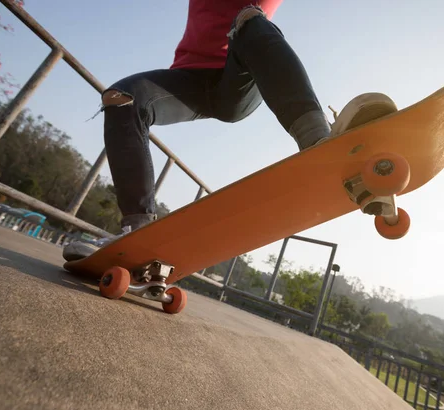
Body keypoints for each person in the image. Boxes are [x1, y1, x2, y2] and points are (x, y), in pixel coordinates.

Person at [63, 0, 395, 261]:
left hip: (237, 79)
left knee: (250, 19)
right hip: (190, 84)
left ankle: (318, 144)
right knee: (121, 98)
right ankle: (136, 231)